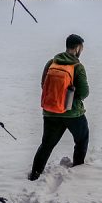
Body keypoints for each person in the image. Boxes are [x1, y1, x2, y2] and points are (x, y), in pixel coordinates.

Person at [29, 34, 89, 180]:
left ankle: (35, 174)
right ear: (78, 48)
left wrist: (56, 98)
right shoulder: (77, 67)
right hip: (72, 113)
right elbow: (84, 92)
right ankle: (78, 168)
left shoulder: (52, 62)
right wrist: (69, 99)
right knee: (82, 139)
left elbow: (44, 84)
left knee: (47, 144)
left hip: (50, 112)